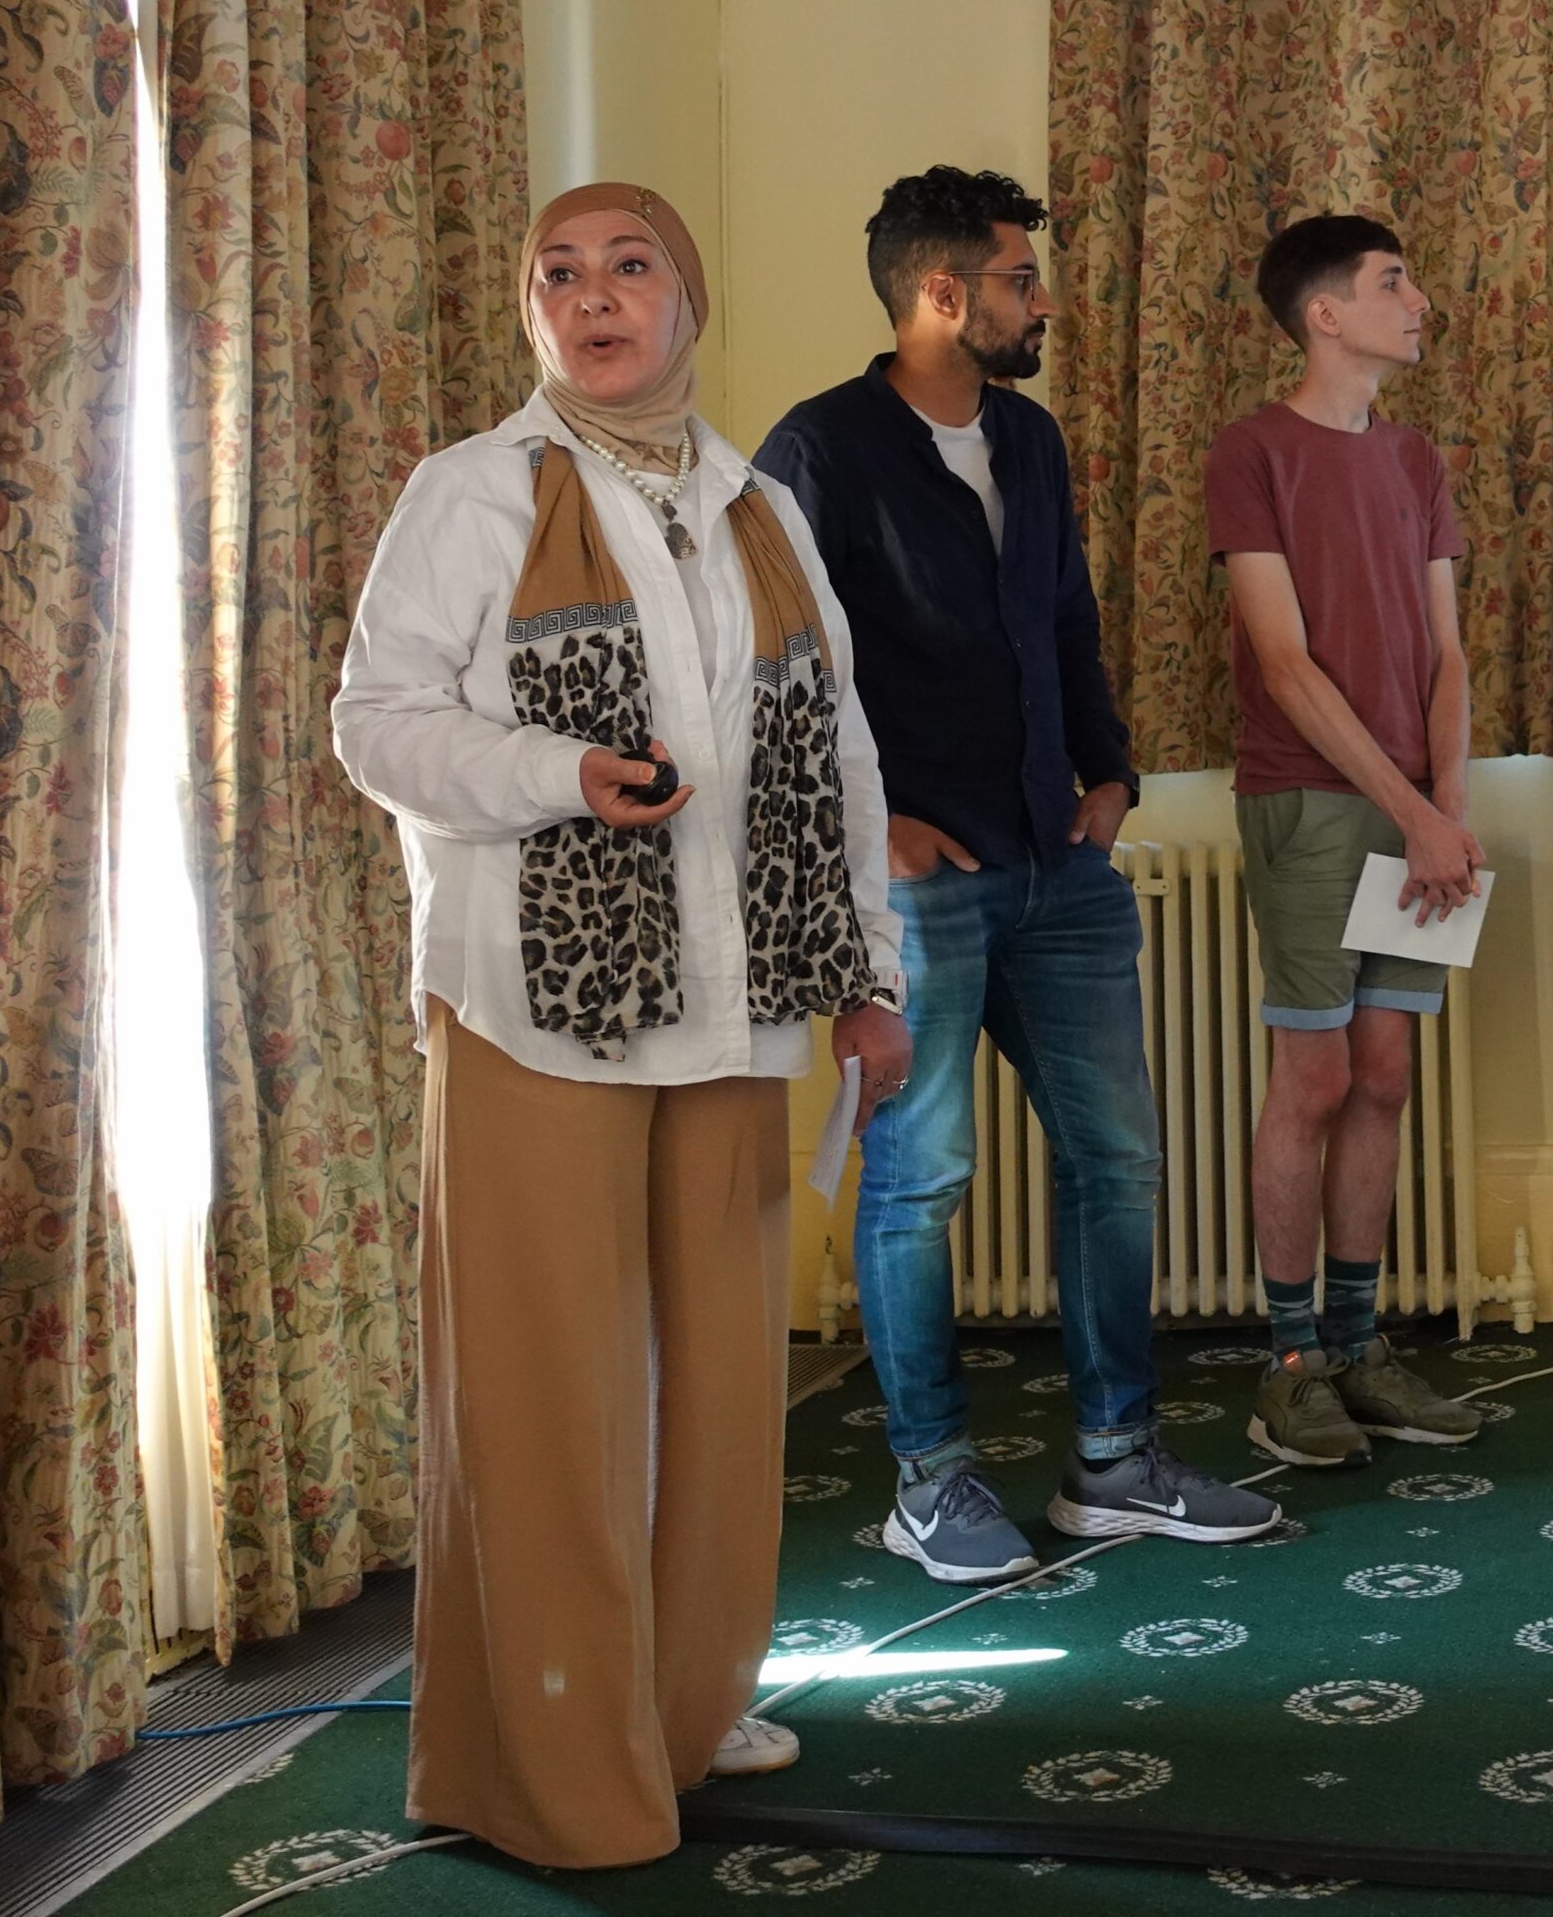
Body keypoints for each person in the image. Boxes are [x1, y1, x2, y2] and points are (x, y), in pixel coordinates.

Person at [333, 183, 913, 1868]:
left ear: (692, 295)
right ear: (531, 316)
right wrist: (554, 778)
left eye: (629, 264)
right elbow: (377, 723)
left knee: (725, 1390)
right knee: (547, 1395)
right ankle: (550, 1761)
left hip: (734, 1010)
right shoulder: (475, 492)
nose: (594, 297)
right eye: (557, 275)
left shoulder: (760, 511)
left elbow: (844, 752)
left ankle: (679, 1698)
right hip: (541, 1013)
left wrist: (867, 971)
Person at [757, 166, 1278, 1584]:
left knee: (1120, 1160)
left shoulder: (1031, 440)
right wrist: (880, 838)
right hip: (918, 881)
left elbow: (1067, 620)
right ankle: (931, 1481)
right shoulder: (818, 450)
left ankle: (1115, 1462)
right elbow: (781, 672)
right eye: (1018, 280)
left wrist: (1109, 780)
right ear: (941, 293)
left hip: (1063, 864)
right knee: (919, 1178)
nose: (1041, 301)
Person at [1204, 213, 1488, 1469]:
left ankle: (1362, 1348)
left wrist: (1449, 806)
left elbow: (1447, 652)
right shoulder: (1252, 449)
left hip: (1420, 812)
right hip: (1309, 799)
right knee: (1312, 1079)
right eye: (1392, 281)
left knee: (1385, 1074)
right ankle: (1287, 1363)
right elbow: (1280, 659)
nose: (1418, 299)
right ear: (1324, 313)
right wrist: (1411, 808)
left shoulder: (1417, 458)